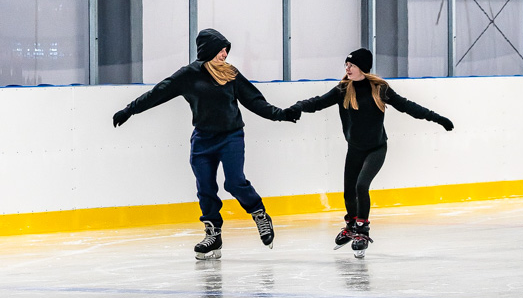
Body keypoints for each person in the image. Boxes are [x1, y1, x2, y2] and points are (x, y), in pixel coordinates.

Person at [113, 28, 300, 259]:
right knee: (205, 188)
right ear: (209, 51)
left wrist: (279, 114)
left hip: (231, 136)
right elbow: (157, 93)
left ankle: (259, 213)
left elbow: (254, 100)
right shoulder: (188, 75)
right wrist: (129, 110)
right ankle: (213, 235)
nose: (225, 55)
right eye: (221, 50)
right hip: (202, 140)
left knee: (234, 182)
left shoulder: (231, 73)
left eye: (226, 50)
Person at [288, 48, 453, 258]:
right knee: (349, 192)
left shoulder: (379, 89)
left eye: (352, 65)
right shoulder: (343, 89)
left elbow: (408, 106)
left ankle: (362, 231)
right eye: (346, 65)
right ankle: (351, 226)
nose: (347, 68)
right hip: (355, 149)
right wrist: (298, 107)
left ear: (362, 68)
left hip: (376, 148)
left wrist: (437, 118)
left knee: (361, 185)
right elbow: (318, 102)